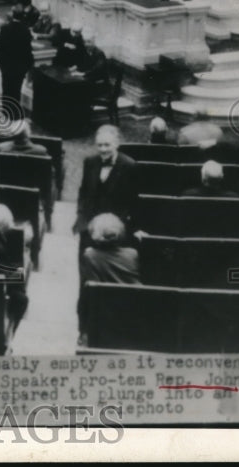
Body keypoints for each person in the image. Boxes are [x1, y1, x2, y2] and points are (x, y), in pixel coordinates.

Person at [74, 125, 137, 343]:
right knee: (85, 283)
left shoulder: (129, 166)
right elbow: (83, 193)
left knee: (109, 282)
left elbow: (132, 201)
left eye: (107, 145)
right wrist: (81, 220)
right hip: (89, 231)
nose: (103, 149)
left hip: (113, 233)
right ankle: (83, 330)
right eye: (99, 145)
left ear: (117, 144)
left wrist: (119, 227)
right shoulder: (89, 162)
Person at [79, 213, 140, 291]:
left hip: (105, 300)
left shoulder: (90, 255)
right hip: (134, 299)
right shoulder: (132, 253)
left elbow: (90, 287)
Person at [0, 6, 34, 116]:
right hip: (19, 69)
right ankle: (14, 114)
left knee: (6, 90)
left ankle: (6, 112)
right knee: (16, 91)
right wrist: (27, 66)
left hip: (6, 67)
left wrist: (1, 64)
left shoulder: (5, 28)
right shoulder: (25, 31)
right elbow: (28, 52)